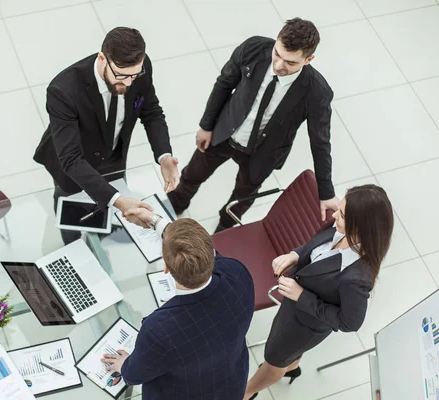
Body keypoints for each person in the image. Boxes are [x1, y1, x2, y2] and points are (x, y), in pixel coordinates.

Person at [168, 18, 338, 233]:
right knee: (192, 174)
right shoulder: (254, 48)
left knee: (241, 199)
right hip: (223, 133)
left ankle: (225, 229)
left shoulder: (317, 92)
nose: (278, 66)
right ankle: (177, 202)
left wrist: (326, 191)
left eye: (290, 62)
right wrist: (206, 125)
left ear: (309, 59)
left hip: (262, 153)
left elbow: (320, 142)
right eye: (277, 54)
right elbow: (224, 83)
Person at [243, 184, 394, 400]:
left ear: (359, 226)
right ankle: (291, 365)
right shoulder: (339, 228)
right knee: (284, 356)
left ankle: (247, 391)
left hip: (305, 325)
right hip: (293, 307)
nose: (334, 215)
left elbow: (350, 323)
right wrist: (295, 255)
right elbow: (315, 247)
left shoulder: (357, 277)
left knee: (273, 358)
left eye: (341, 215)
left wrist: (301, 296)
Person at [33, 27, 179, 243]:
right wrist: (119, 201)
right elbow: (71, 160)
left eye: (134, 76)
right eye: (121, 76)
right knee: (70, 209)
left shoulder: (140, 68)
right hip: (74, 164)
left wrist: (164, 156)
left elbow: (151, 112)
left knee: (107, 201)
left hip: (114, 158)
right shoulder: (63, 90)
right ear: (102, 58)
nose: (129, 83)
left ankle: (100, 231)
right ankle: (71, 239)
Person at [101, 215, 255, 400]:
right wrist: (158, 223)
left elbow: (134, 375)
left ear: (166, 268)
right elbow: (215, 256)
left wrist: (124, 365)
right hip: (230, 383)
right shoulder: (237, 272)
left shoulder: (159, 329)